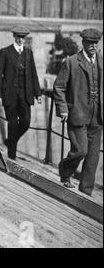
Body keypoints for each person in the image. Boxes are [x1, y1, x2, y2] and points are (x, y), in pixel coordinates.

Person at [53, 28, 103, 195]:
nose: (93, 46)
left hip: (98, 115)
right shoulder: (72, 62)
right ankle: (65, 170)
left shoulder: (102, 61)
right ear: (83, 43)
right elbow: (59, 87)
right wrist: (63, 109)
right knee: (81, 150)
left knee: (93, 156)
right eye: (89, 42)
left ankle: (86, 190)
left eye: (95, 43)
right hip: (78, 112)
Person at [0, 26, 42, 159]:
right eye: (18, 37)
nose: (20, 40)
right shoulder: (5, 52)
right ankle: (12, 155)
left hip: (25, 95)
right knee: (13, 124)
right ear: (14, 37)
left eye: (23, 37)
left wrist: (38, 93)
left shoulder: (28, 53)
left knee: (26, 123)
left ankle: (11, 141)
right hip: (10, 95)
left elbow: (33, 74)